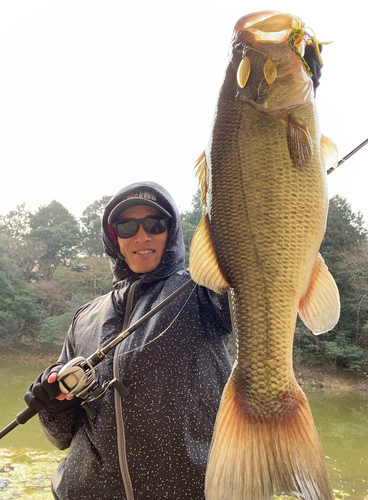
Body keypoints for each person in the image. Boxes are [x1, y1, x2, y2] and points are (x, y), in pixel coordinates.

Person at [25, 181, 233, 500]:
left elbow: (253, 276)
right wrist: (52, 406)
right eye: (126, 226)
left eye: (154, 224)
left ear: (171, 231)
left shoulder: (205, 292)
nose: (142, 236)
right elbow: (61, 437)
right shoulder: (85, 317)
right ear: (114, 238)